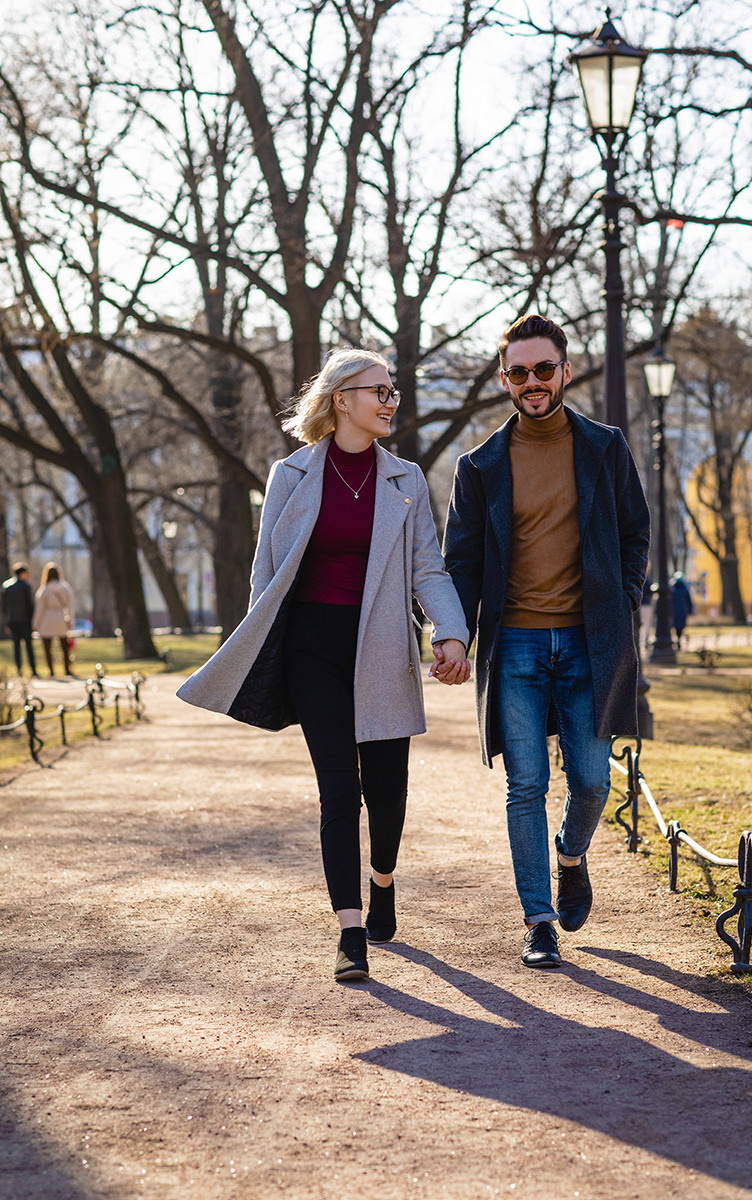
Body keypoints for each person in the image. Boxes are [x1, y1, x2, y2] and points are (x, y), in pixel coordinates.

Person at [177, 349, 470, 982]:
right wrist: (260, 649)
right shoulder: (291, 475)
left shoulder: (406, 479)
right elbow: (265, 571)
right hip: (311, 649)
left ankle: (383, 880)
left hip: (384, 645)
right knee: (339, 789)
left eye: (392, 392)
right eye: (378, 391)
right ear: (342, 399)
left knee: (386, 793)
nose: (390, 402)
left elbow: (427, 568)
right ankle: (350, 932)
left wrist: (451, 633)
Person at [441, 313, 649, 969]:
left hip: (592, 643)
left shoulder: (605, 448)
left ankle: (571, 856)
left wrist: (625, 598)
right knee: (525, 785)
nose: (532, 381)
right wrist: (453, 635)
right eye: (519, 372)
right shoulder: (479, 466)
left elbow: (635, 531)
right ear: (505, 379)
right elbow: (460, 564)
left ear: (565, 370)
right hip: (516, 649)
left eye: (544, 369)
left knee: (590, 781)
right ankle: (538, 921)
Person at [32, 563, 75, 677]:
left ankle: (51, 670)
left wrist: (35, 624)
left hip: (47, 619)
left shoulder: (44, 589)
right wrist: (71, 621)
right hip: (61, 617)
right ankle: (67, 668)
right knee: (64, 646)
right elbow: (70, 606)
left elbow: (39, 609)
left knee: (47, 647)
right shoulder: (65, 588)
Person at [1, 563, 38, 677]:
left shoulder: (7, 586)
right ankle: (33, 670)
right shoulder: (26, 586)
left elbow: (4, 606)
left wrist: (6, 622)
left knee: (16, 647)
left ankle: (19, 670)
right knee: (29, 647)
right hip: (25, 620)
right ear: (23, 573)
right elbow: (31, 605)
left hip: (12, 620)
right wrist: (33, 621)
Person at [670, 572, 693, 649]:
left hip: (674, 610)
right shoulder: (685, 589)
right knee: (681, 626)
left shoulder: (672, 589)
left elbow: (670, 600)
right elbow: (689, 601)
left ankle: (676, 640)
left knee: (674, 626)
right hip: (683, 610)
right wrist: (690, 611)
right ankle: (679, 639)